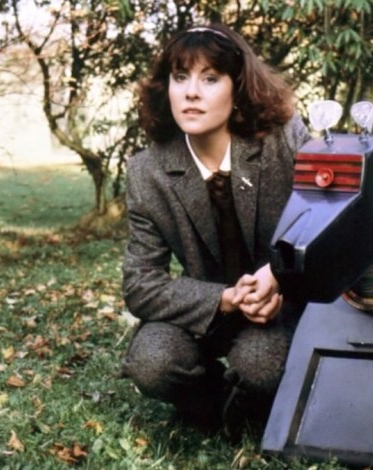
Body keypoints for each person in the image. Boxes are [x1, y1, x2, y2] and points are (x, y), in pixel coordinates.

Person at [120, 23, 310, 440]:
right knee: (151, 363)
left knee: (260, 368)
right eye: (180, 77)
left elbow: (328, 219)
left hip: (279, 308)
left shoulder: (284, 140)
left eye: (210, 78)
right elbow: (140, 285)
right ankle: (212, 400)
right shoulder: (146, 171)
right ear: (167, 88)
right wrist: (223, 299)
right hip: (205, 312)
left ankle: (247, 402)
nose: (191, 92)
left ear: (237, 87)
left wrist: (277, 274)